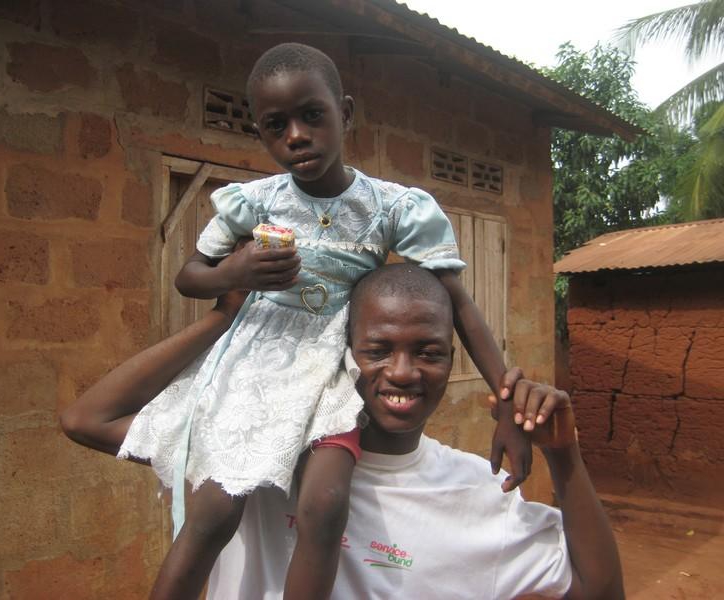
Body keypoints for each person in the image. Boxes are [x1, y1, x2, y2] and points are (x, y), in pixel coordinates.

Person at [116, 43, 530, 599]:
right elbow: (190, 276)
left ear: (346, 113)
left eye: (312, 115)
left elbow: (460, 305)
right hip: (255, 364)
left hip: (333, 371)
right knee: (212, 512)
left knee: (326, 504)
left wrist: (506, 404)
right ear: (261, 133)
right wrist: (235, 271)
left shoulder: (391, 208)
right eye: (276, 125)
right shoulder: (254, 203)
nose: (296, 136)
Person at [61, 263, 624, 599]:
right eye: (378, 350)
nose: (402, 372)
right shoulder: (261, 457)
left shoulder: (478, 493)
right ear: (343, 351)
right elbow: (90, 418)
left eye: (428, 352)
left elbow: (597, 591)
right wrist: (223, 319)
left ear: (452, 360)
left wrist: (565, 458)